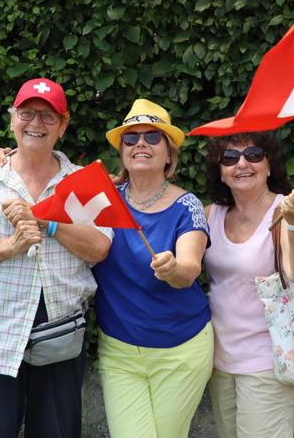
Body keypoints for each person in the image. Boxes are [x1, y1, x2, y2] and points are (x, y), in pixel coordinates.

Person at [0, 78, 112, 438]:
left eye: (48, 117)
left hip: (59, 335)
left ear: (63, 126)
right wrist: (10, 246)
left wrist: (49, 222)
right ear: (12, 119)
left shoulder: (81, 182)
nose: (36, 123)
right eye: (27, 113)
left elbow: (99, 248)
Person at [92, 99, 212, 438]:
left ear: (169, 154)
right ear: (123, 152)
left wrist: (172, 267)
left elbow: (189, 269)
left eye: (152, 137)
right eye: (130, 139)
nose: (140, 144)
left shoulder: (186, 205)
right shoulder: (104, 197)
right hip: (120, 349)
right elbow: (48, 181)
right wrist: (6, 155)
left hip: (180, 348)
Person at [203, 131, 294, 438]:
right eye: (230, 158)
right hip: (219, 361)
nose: (242, 163)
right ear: (221, 172)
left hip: (268, 362)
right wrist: (129, 188)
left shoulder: (284, 210)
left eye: (253, 154)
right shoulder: (211, 214)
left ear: (269, 166)